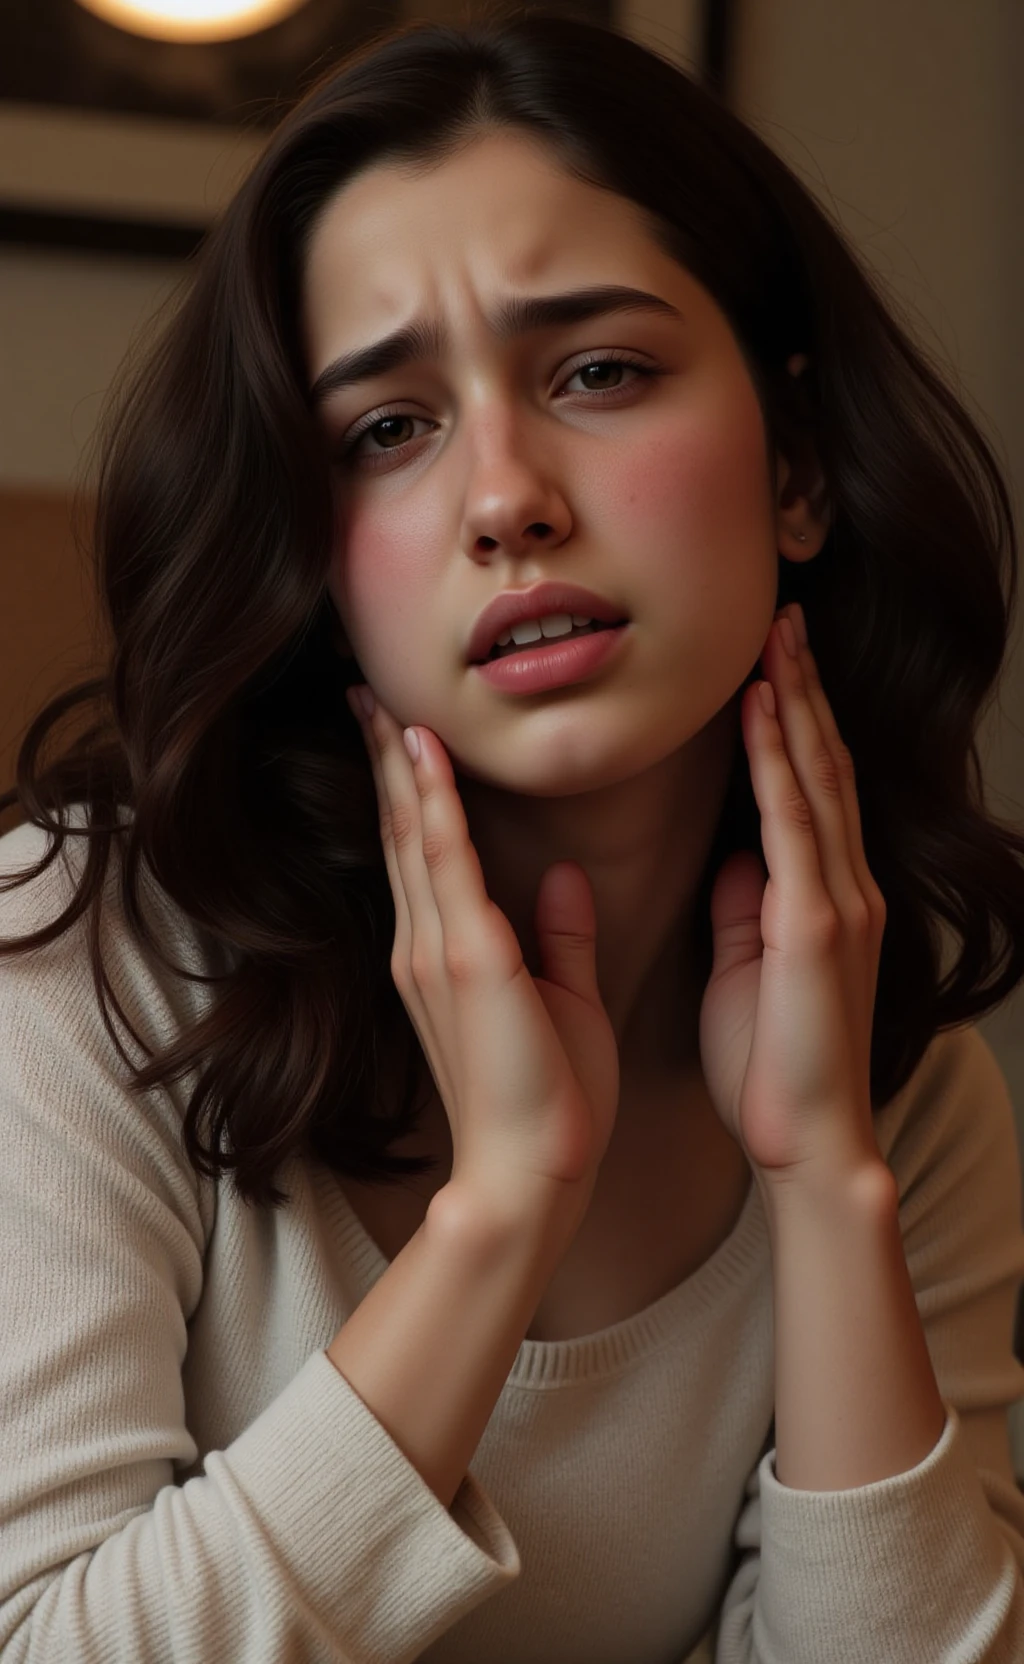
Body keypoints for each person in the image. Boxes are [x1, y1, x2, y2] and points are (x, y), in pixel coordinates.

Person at [2, 10, 1024, 1661]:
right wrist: (503, 1211)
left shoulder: (908, 1099)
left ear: (803, 467)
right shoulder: (76, 965)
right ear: (315, 561)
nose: (505, 497)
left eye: (599, 370)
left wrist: (828, 1185)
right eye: (386, 431)